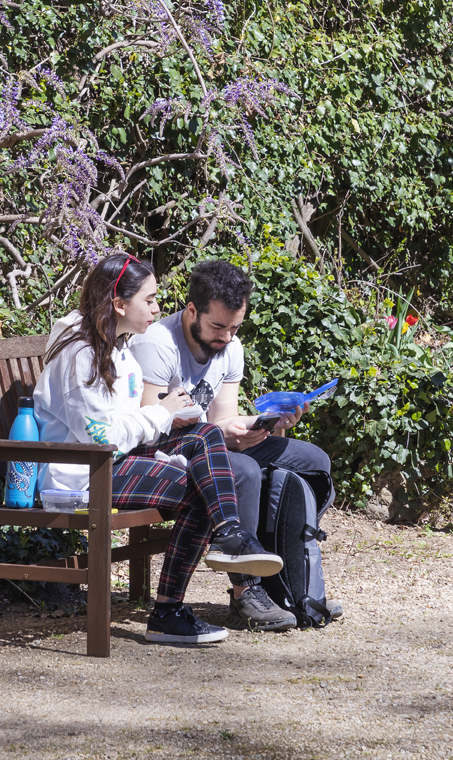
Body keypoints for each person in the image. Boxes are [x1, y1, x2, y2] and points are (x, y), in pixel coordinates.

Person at [33, 252, 283, 646]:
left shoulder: (115, 346)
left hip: (115, 460)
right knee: (199, 486)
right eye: (149, 299)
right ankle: (168, 611)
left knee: (206, 435)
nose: (157, 307)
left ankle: (229, 533)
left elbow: (125, 421)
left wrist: (173, 416)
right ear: (119, 304)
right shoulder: (80, 353)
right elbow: (101, 437)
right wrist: (161, 413)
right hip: (85, 473)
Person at [132, 258, 341, 632]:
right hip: (169, 450)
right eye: (217, 326)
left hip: (213, 439)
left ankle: (288, 576)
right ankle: (246, 592)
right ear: (192, 310)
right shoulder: (158, 344)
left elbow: (224, 415)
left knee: (314, 460)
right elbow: (150, 426)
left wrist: (265, 424)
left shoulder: (231, 347)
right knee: (242, 470)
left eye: (234, 327)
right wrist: (222, 434)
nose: (226, 337)